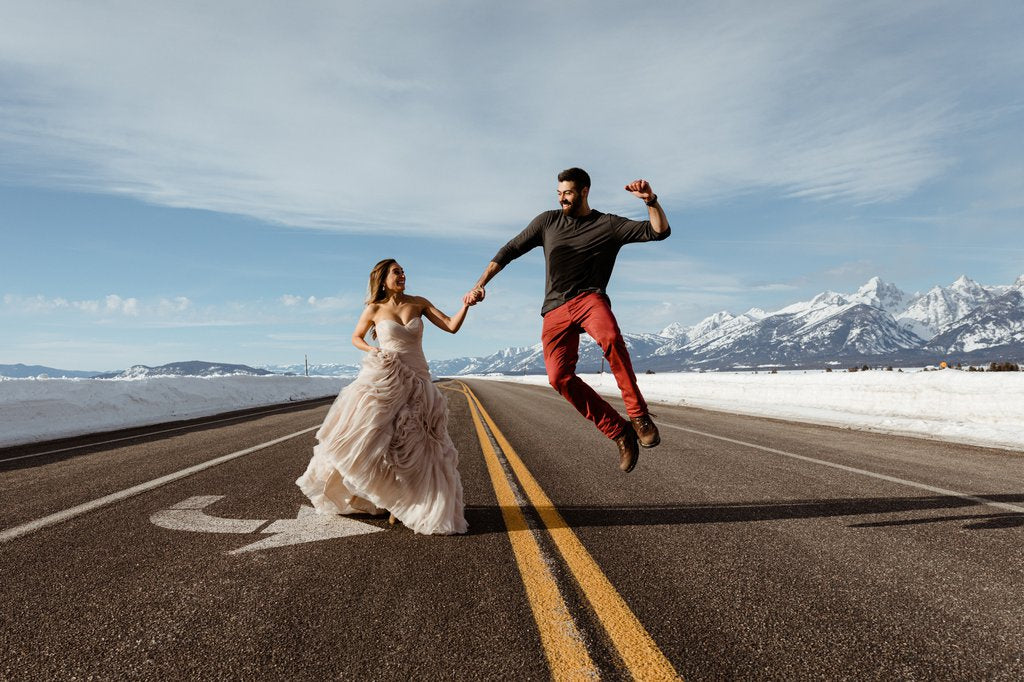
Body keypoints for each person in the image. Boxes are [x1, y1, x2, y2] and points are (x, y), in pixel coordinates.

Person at [464, 168, 670, 473]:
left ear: (584, 191)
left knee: (610, 337)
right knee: (558, 377)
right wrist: (480, 283)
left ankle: (638, 416)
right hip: (554, 309)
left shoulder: (607, 225)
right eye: (559, 193)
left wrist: (650, 200)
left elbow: (659, 231)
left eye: (568, 193)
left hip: (589, 299)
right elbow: (510, 250)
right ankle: (619, 431)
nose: (562, 198)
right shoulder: (547, 222)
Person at [296, 259, 470, 535]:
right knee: (382, 439)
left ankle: (417, 504)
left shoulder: (419, 303)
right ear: (383, 279)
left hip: (419, 380)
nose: (402, 275)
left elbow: (451, 325)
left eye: (403, 271)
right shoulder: (374, 309)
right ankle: (393, 500)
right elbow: (356, 337)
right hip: (388, 377)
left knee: (420, 444)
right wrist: (372, 350)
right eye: (396, 272)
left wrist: (467, 304)